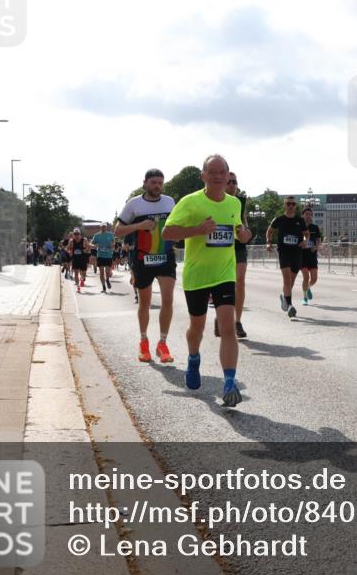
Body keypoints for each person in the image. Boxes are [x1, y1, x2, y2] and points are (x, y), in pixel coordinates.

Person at [162, 154, 252, 406]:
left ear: (228, 175)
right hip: (197, 276)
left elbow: (239, 233)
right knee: (197, 328)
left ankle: (230, 383)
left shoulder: (234, 203)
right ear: (203, 176)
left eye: (222, 172)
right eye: (212, 172)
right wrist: (197, 230)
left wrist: (244, 235)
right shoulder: (190, 202)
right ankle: (193, 358)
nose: (217, 176)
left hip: (224, 274)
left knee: (227, 327)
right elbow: (167, 232)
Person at [114, 168, 176, 363]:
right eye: (153, 182)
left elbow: (176, 224)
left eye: (160, 182)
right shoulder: (134, 204)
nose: (157, 186)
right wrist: (138, 226)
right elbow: (118, 230)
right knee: (145, 303)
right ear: (145, 183)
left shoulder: (169, 202)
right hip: (143, 258)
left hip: (165, 256)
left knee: (167, 300)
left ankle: (163, 343)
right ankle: (143, 341)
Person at [266, 196, 309, 318]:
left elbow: (306, 234)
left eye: (293, 204)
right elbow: (269, 231)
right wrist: (268, 242)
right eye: (288, 204)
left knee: (292, 280)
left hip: (297, 252)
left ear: (295, 206)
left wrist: (305, 240)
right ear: (284, 205)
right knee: (286, 278)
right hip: (284, 252)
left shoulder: (300, 220)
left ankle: (285, 298)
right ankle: (290, 305)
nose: (290, 206)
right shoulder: (279, 219)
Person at [226, 171, 250, 338]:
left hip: (238, 245)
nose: (233, 185)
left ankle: (237, 321)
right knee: (225, 284)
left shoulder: (240, 201)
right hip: (221, 246)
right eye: (230, 182)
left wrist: (246, 231)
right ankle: (221, 317)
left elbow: (243, 219)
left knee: (240, 283)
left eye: (235, 182)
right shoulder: (213, 200)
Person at [300, 207, 323, 305]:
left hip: (312, 255)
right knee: (306, 277)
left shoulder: (315, 227)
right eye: (307, 214)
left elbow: (318, 240)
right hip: (301, 256)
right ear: (303, 215)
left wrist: (316, 247)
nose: (309, 216)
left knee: (314, 278)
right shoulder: (298, 226)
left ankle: (308, 287)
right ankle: (304, 298)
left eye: (310, 214)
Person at [92, 223, 115, 293]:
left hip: (108, 256)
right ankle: (104, 287)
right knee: (101, 272)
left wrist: (112, 245)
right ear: (100, 227)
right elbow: (92, 243)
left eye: (104, 227)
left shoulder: (110, 235)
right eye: (102, 227)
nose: (103, 228)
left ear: (106, 227)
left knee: (107, 272)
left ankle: (107, 279)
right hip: (100, 256)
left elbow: (114, 243)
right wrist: (94, 245)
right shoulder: (96, 235)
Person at [65, 228, 90, 293]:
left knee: (84, 273)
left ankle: (82, 279)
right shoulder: (71, 241)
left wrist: (86, 250)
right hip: (75, 259)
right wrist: (69, 252)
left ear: (80, 234)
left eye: (77, 234)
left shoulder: (84, 240)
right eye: (75, 234)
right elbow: (67, 248)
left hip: (83, 259)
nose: (76, 235)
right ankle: (78, 287)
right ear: (73, 234)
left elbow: (88, 247)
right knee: (76, 273)